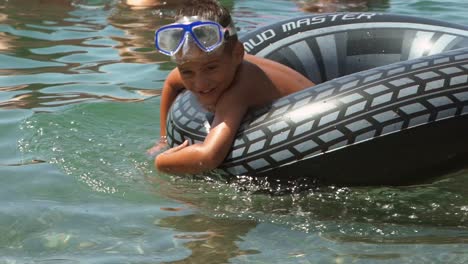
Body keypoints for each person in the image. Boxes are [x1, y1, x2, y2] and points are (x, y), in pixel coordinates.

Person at [149, 0, 314, 175]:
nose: (200, 83)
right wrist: (164, 139)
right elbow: (171, 83)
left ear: (237, 54)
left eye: (211, 68)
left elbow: (208, 157)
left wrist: (161, 161)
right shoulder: (201, 65)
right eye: (187, 72)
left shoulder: (239, 89)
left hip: (316, 127)